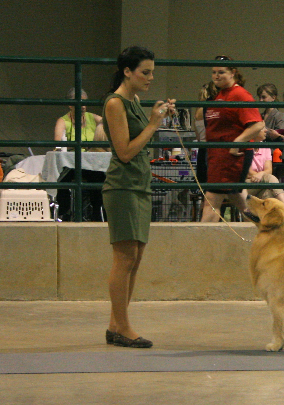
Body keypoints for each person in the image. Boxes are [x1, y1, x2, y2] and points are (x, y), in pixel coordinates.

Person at [101, 46, 176, 347]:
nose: (150, 77)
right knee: (124, 258)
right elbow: (126, 151)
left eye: (152, 72)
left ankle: (115, 324)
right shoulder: (115, 103)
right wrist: (154, 123)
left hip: (139, 186)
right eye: (145, 72)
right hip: (122, 187)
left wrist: (153, 116)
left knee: (136, 258)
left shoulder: (133, 100)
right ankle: (122, 327)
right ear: (127, 71)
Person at [200, 55, 264, 222]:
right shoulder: (220, 95)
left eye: (221, 72)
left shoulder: (240, 95)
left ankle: (202, 245)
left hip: (230, 157)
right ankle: (267, 232)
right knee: (241, 202)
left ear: (233, 72)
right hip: (216, 155)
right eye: (213, 72)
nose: (216, 76)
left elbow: (257, 125)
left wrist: (236, 143)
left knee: (211, 201)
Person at [246, 126, 284, 222]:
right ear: (254, 131)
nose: (266, 131)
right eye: (262, 128)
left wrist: (261, 174)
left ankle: (266, 225)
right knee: (269, 178)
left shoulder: (265, 147)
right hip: (246, 185)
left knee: (268, 193)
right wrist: (262, 175)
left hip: (261, 184)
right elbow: (248, 172)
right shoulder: (245, 146)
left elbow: (269, 170)